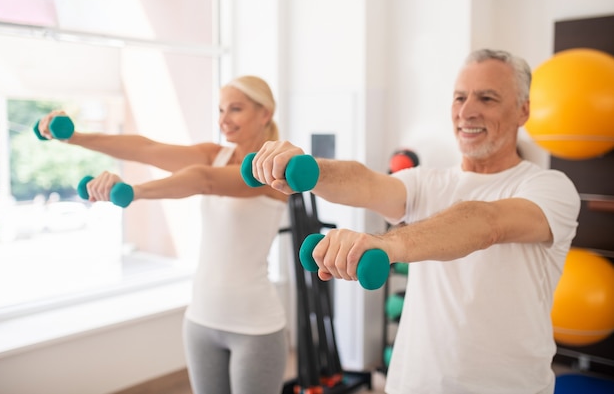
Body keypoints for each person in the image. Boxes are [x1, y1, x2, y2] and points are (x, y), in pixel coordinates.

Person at [249, 49, 581, 394]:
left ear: (523, 110)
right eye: (459, 98)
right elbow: (367, 183)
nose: (467, 111)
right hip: (413, 384)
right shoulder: (427, 182)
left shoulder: (549, 188)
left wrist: (387, 244)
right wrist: (310, 170)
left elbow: (487, 222)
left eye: (487, 98)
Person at [37, 75, 289, 394]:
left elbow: (204, 181)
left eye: (235, 109)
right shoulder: (216, 154)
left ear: (265, 113)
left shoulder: (274, 173)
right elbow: (147, 148)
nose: (224, 120)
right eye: (221, 109)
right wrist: (76, 137)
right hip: (201, 319)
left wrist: (133, 191)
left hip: (256, 326)